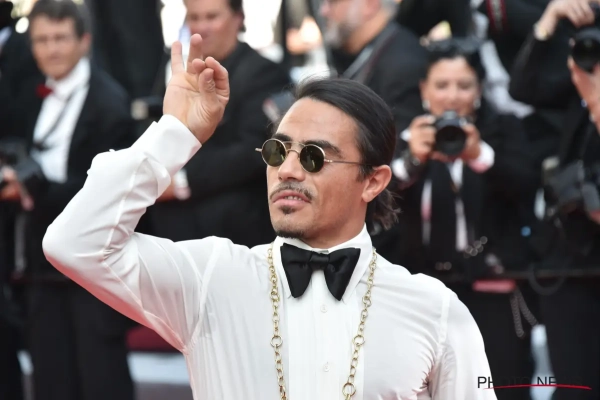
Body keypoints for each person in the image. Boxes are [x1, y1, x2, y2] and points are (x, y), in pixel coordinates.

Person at [42, 33, 497, 399]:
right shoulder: (211, 277)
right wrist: (175, 134)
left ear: (373, 181)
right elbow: (74, 243)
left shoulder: (435, 310)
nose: (289, 170)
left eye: (315, 156)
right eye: (278, 151)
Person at [0, 1, 136, 400]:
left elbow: (107, 192)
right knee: (51, 381)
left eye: (60, 38)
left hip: (93, 269)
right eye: (42, 40)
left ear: (84, 41)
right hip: (40, 268)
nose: (51, 49)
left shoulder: (110, 103)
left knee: (101, 381)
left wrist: (32, 190)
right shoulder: (28, 94)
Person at [391, 38, 539, 400]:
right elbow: (375, 198)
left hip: (493, 290)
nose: (452, 96)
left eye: (464, 85)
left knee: (499, 387)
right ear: (424, 90)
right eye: (442, 85)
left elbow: (526, 186)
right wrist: (411, 161)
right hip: (422, 294)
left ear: (479, 90)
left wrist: (479, 155)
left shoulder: (502, 130)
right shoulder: (403, 136)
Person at [509, 0, 600, 398]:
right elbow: (523, 88)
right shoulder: (581, 84)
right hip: (571, 255)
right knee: (575, 386)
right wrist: (548, 21)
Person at [150, 0, 292, 247]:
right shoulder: (184, 75)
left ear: (238, 18)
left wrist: (182, 181)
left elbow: (257, 150)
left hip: (237, 222)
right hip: (173, 217)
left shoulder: (265, 74)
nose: (201, 27)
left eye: (212, 17)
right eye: (194, 18)